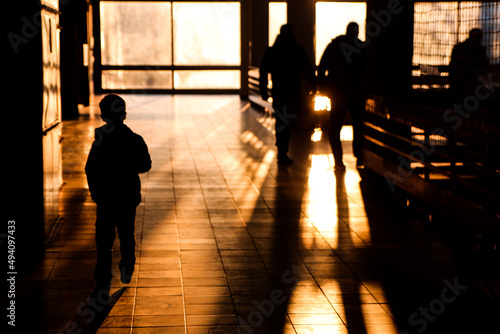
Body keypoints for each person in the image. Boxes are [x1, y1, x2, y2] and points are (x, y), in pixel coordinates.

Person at [85, 94, 151, 302]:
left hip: (105, 198)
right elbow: (145, 166)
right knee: (126, 234)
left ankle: (103, 282)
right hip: (127, 196)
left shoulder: (100, 141)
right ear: (124, 114)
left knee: (104, 240)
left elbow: (90, 168)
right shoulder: (135, 139)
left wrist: (96, 192)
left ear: (103, 116)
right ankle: (127, 267)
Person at [260, 24, 316, 166]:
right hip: (292, 93)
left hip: (278, 92)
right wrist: (314, 86)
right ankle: (283, 151)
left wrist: (263, 91)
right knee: (288, 122)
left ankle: (281, 150)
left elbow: (263, 71)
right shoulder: (296, 49)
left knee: (280, 121)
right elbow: (307, 69)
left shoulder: (272, 51)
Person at [318, 22, 365, 171]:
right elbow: (365, 72)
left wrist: (323, 88)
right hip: (355, 94)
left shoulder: (335, 45)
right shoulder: (361, 47)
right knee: (358, 126)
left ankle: (338, 161)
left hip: (337, 94)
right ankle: (359, 157)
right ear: (357, 32)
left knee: (335, 128)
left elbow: (322, 67)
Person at [449, 28, 488, 103]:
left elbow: (451, 67)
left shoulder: (459, 47)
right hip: (472, 87)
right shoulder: (480, 50)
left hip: (457, 85)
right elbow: (484, 68)